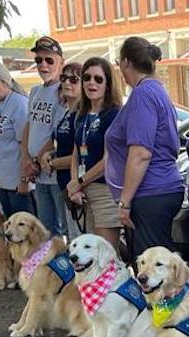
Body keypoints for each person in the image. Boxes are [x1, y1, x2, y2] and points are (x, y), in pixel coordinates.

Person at [106, 36, 186, 258]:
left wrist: (125, 201)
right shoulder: (155, 90)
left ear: (125, 62)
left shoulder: (143, 94)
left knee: (151, 268)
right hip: (158, 189)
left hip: (150, 192)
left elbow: (141, 153)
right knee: (156, 264)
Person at [67, 57, 123, 247]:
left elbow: (109, 160)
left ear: (108, 84)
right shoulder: (80, 114)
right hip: (83, 190)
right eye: (87, 78)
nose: (92, 83)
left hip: (105, 190)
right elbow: (76, 151)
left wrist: (80, 182)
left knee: (105, 257)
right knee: (89, 255)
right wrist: (75, 183)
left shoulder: (114, 114)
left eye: (98, 79)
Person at [22, 36, 67, 238]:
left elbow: (56, 133)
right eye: (39, 60)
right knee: (45, 228)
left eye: (49, 60)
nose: (43, 65)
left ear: (61, 62)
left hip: (53, 170)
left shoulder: (63, 92)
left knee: (63, 228)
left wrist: (36, 160)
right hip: (38, 174)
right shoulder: (35, 91)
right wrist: (25, 158)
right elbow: (29, 125)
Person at [0, 61, 33, 217]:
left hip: (17, 180)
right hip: (1, 178)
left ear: (4, 80)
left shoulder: (19, 103)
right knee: (10, 225)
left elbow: (25, 145)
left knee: (24, 229)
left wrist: (24, 180)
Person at [51, 62, 83, 240]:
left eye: (73, 79)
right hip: (63, 183)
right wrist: (51, 154)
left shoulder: (82, 114)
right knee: (72, 237)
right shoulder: (66, 112)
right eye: (63, 78)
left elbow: (81, 155)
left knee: (81, 240)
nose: (66, 83)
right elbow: (63, 145)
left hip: (78, 185)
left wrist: (53, 163)